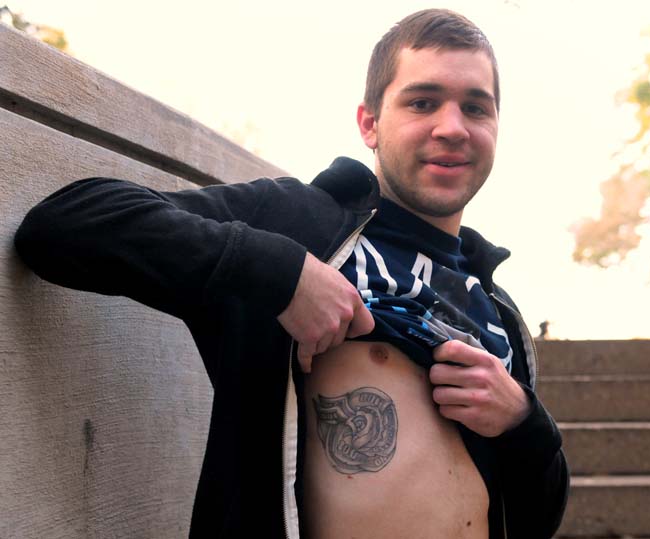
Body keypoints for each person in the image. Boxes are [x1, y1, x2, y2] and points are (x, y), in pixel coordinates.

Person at [14, 8, 569, 539]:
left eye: (476, 107)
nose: (452, 127)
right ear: (370, 124)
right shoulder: (296, 224)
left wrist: (525, 425)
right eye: (423, 102)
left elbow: (535, 518)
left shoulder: (495, 310)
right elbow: (63, 225)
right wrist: (281, 273)